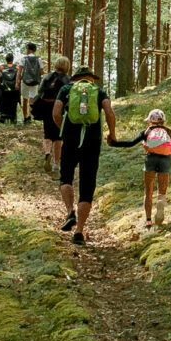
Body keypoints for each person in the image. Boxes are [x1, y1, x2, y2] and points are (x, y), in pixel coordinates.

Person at [53, 63, 122, 245]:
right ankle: (79, 231)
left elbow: (56, 113)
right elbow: (109, 112)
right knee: (87, 184)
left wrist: (64, 130)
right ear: (91, 78)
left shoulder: (66, 89)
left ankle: (70, 212)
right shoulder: (98, 91)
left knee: (66, 177)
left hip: (70, 139)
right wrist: (112, 134)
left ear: (75, 78)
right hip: (93, 141)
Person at [136, 108, 171, 228]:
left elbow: (129, 143)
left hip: (150, 159)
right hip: (165, 160)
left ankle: (148, 220)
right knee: (161, 190)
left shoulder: (146, 132)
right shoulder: (167, 133)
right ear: (163, 121)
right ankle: (160, 201)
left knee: (148, 192)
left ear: (150, 121)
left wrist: (114, 142)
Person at [30, 57, 70, 175]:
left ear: (56, 65)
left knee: (47, 134)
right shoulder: (67, 79)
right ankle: (57, 163)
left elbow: (40, 91)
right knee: (58, 136)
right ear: (66, 66)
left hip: (46, 107)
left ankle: (47, 152)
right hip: (59, 107)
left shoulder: (47, 77)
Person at [0, 54, 21, 123]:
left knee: (3, 102)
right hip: (13, 88)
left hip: (5, 87)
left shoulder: (2, 66)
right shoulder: (17, 67)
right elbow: (19, 76)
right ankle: (13, 118)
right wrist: (17, 84)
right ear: (12, 60)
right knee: (13, 102)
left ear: (6, 60)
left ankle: (3, 117)